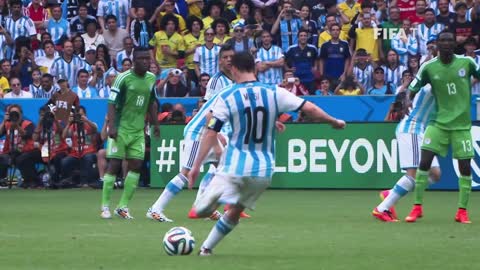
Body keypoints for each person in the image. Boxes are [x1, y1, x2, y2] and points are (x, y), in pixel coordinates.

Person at [187, 51, 345, 256]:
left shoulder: (228, 96)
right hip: (263, 172)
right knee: (235, 212)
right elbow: (310, 108)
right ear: (254, 68)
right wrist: (334, 121)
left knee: (200, 210)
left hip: (235, 167)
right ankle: (206, 249)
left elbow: (211, 131)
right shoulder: (274, 92)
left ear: (233, 69)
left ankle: (220, 197)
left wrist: (197, 165)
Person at [405, 31, 480, 224]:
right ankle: (417, 207)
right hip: (437, 123)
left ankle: (462, 211)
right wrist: (407, 101)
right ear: (437, 44)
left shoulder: (467, 63)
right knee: (424, 162)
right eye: (443, 41)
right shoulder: (429, 67)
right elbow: (412, 88)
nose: (446, 43)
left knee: (465, 168)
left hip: (462, 126)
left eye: (450, 41)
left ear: (455, 44)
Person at [100, 47, 160, 219]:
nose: (146, 62)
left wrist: (155, 124)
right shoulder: (123, 78)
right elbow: (111, 103)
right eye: (142, 59)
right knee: (114, 165)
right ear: (134, 61)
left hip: (138, 130)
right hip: (121, 128)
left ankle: (122, 206)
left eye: (148, 59)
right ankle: (105, 206)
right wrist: (112, 125)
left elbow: (151, 102)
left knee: (136, 165)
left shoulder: (151, 78)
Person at [373, 86, 441, 222]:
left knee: (435, 174)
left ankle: (391, 193)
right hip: (411, 129)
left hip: (421, 131)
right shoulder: (431, 80)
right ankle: (382, 209)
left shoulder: (434, 79)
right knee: (413, 174)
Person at [0, 104, 41, 188]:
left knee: (22, 158)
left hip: (27, 150)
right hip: (12, 151)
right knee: (2, 158)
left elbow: (27, 135)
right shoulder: (7, 124)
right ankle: (2, 180)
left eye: (16, 113)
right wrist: (4, 121)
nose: (14, 116)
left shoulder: (28, 124)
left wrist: (17, 126)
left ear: (21, 114)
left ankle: (31, 181)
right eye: (11, 113)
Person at [61, 106, 99, 187]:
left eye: (81, 115)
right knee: (65, 162)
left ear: (85, 114)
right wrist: (69, 123)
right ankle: (69, 181)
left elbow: (95, 129)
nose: (79, 117)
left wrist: (86, 120)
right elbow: (63, 136)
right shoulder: (73, 126)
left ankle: (87, 182)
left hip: (88, 152)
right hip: (75, 153)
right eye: (77, 115)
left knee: (87, 158)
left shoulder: (90, 124)